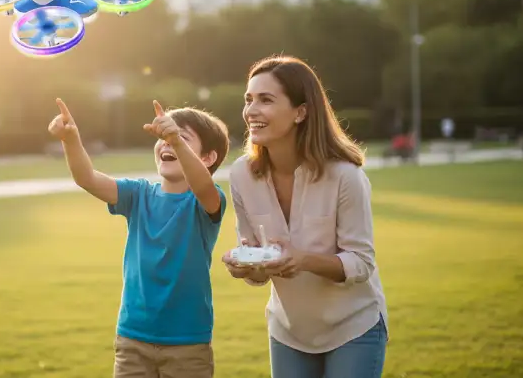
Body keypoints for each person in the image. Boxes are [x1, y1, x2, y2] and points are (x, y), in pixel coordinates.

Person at [221, 55, 389, 378]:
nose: (251, 111)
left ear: (301, 112)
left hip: (353, 328)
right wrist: (246, 267)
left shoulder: (345, 176)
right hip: (289, 331)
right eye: (249, 99)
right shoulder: (242, 174)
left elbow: (361, 263)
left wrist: (304, 260)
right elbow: (261, 272)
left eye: (265, 100)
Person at [48, 97, 230, 378]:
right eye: (164, 136)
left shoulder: (206, 200)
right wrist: (71, 140)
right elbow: (87, 178)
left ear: (207, 158)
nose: (168, 142)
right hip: (133, 338)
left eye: (181, 137)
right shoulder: (138, 194)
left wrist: (176, 141)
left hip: (187, 344)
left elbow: (203, 186)